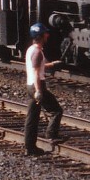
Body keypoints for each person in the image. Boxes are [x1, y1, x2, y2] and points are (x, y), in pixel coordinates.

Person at [24, 22, 64, 156]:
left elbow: (40, 67)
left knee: (32, 118)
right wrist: (39, 91)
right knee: (56, 110)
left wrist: (52, 64)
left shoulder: (32, 50)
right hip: (36, 85)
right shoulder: (37, 52)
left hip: (30, 85)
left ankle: (29, 147)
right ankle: (51, 135)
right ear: (41, 36)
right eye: (45, 34)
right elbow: (36, 73)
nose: (47, 35)